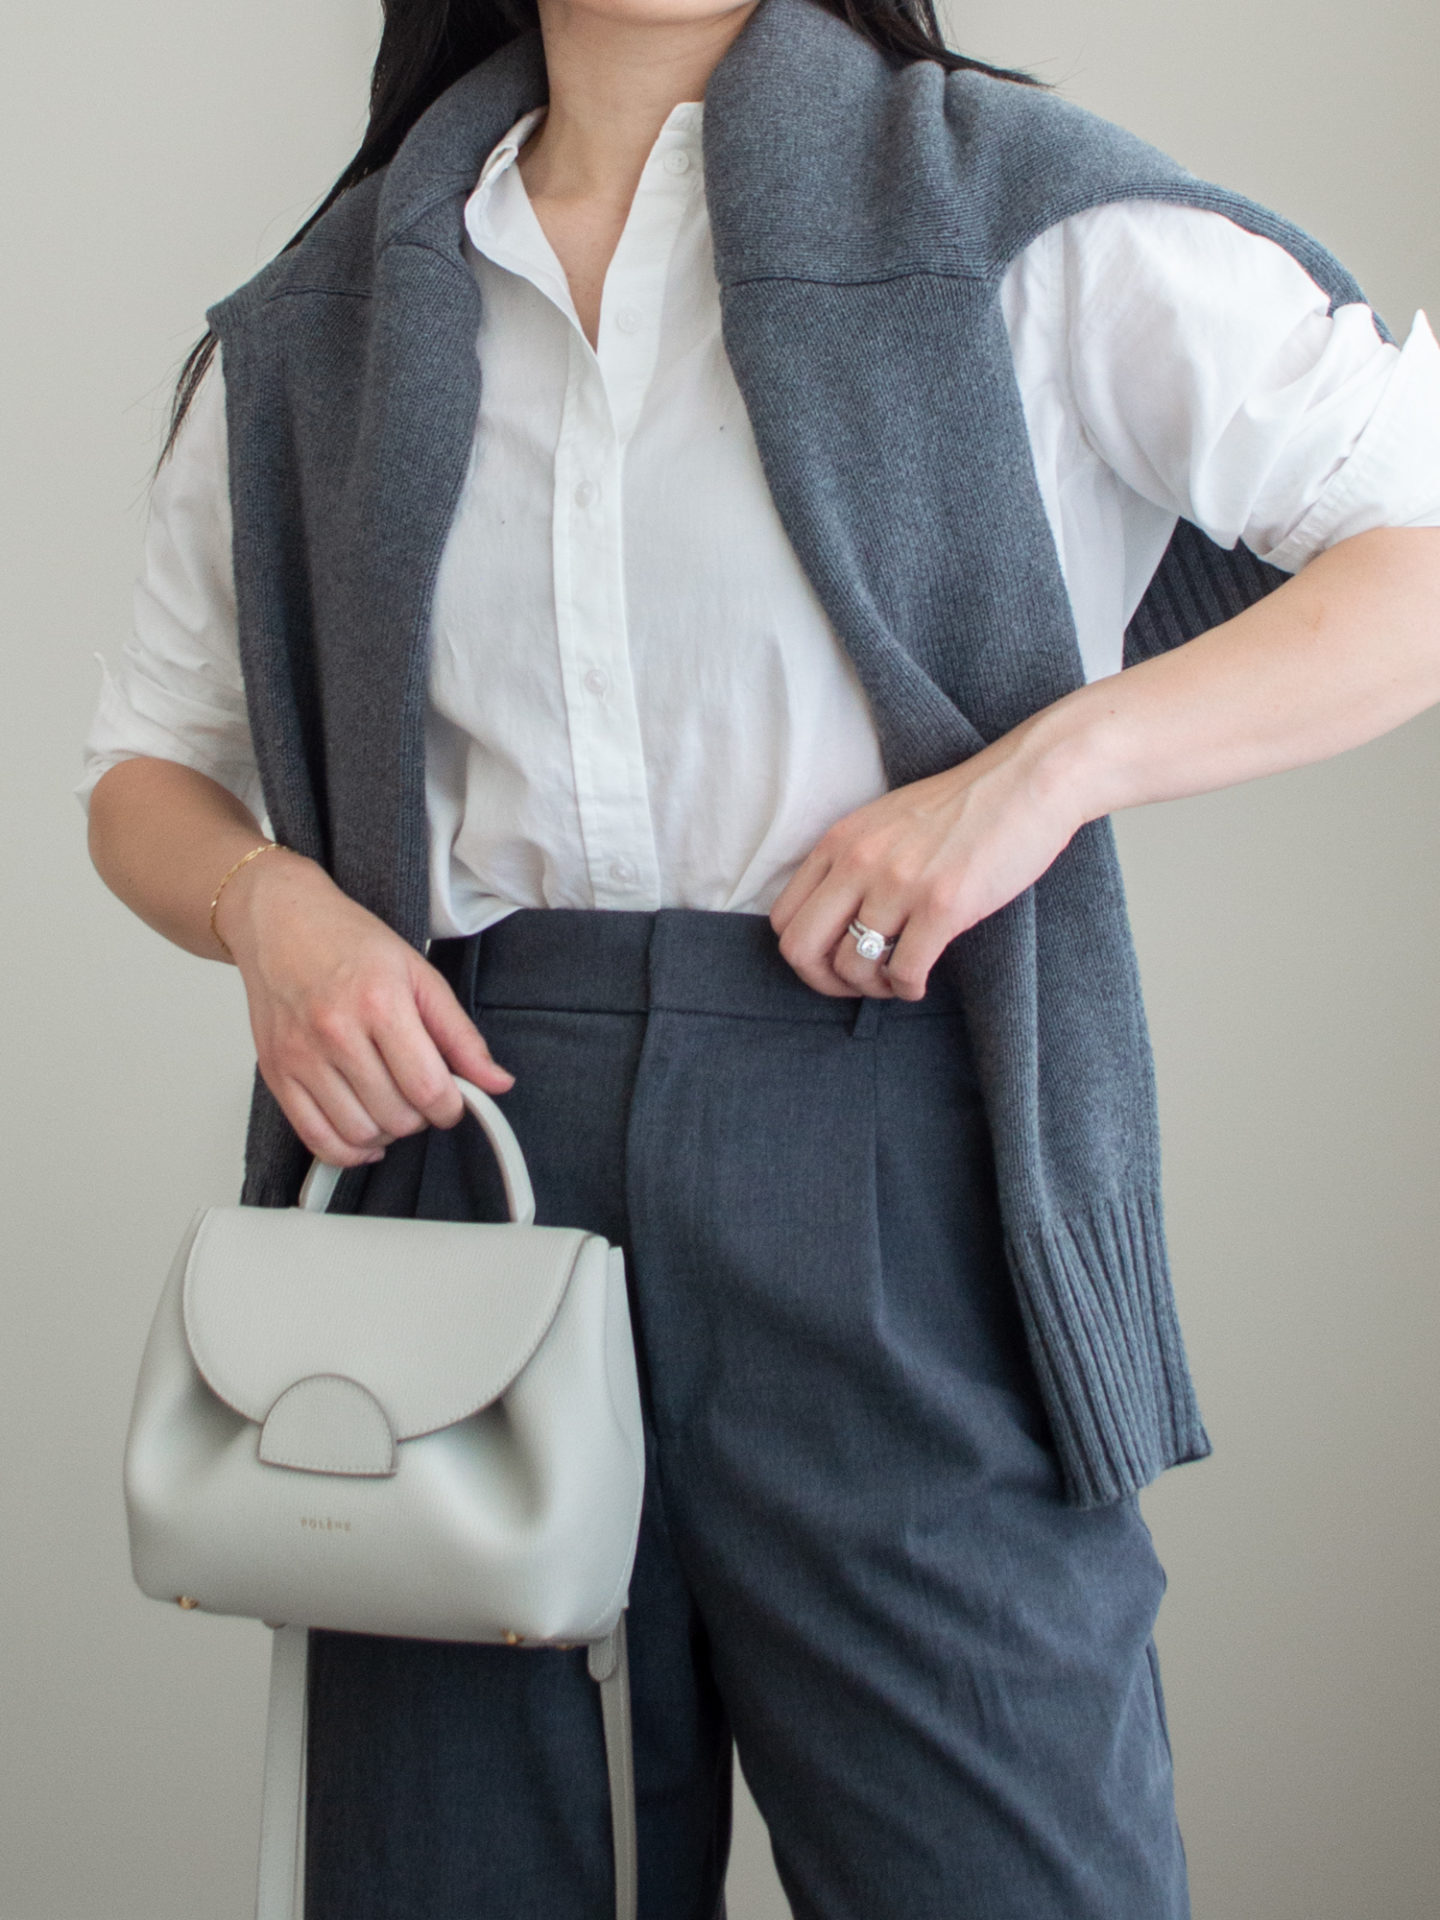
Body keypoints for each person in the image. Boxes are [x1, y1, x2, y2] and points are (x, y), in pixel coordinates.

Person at [81, 0, 1440, 1912]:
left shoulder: (1011, 212)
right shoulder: (327, 315)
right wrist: (265, 909)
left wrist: (1036, 781)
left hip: (893, 1148)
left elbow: (1418, 544)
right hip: (463, 1170)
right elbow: (148, 765)